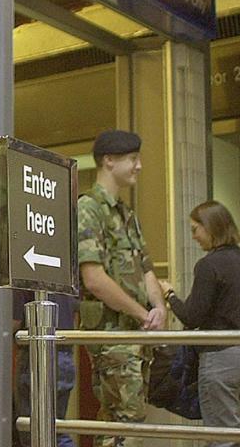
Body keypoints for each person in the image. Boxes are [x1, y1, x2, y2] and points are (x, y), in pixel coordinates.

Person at [77, 129, 167, 447]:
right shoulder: (89, 208)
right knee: (124, 423)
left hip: (135, 334)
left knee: (127, 423)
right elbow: (94, 279)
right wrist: (145, 314)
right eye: (133, 159)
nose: (139, 166)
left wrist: (159, 309)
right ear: (109, 161)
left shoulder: (127, 214)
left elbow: (146, 269)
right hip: (112, 334)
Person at [159, 201, 240, 447]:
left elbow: (192, 317)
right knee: (235, 435)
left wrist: (170, 296)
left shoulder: (208, 265)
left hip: (221, 357)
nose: (193, 237)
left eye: (195, 229)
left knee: (222, 440)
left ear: (210, 227)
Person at [12, 291, 78, 447]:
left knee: (34, 433)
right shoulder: (62, 274)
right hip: (65, 354)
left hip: (35, 355)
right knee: (56, 430)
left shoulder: (24, 273)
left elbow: (14, 320)